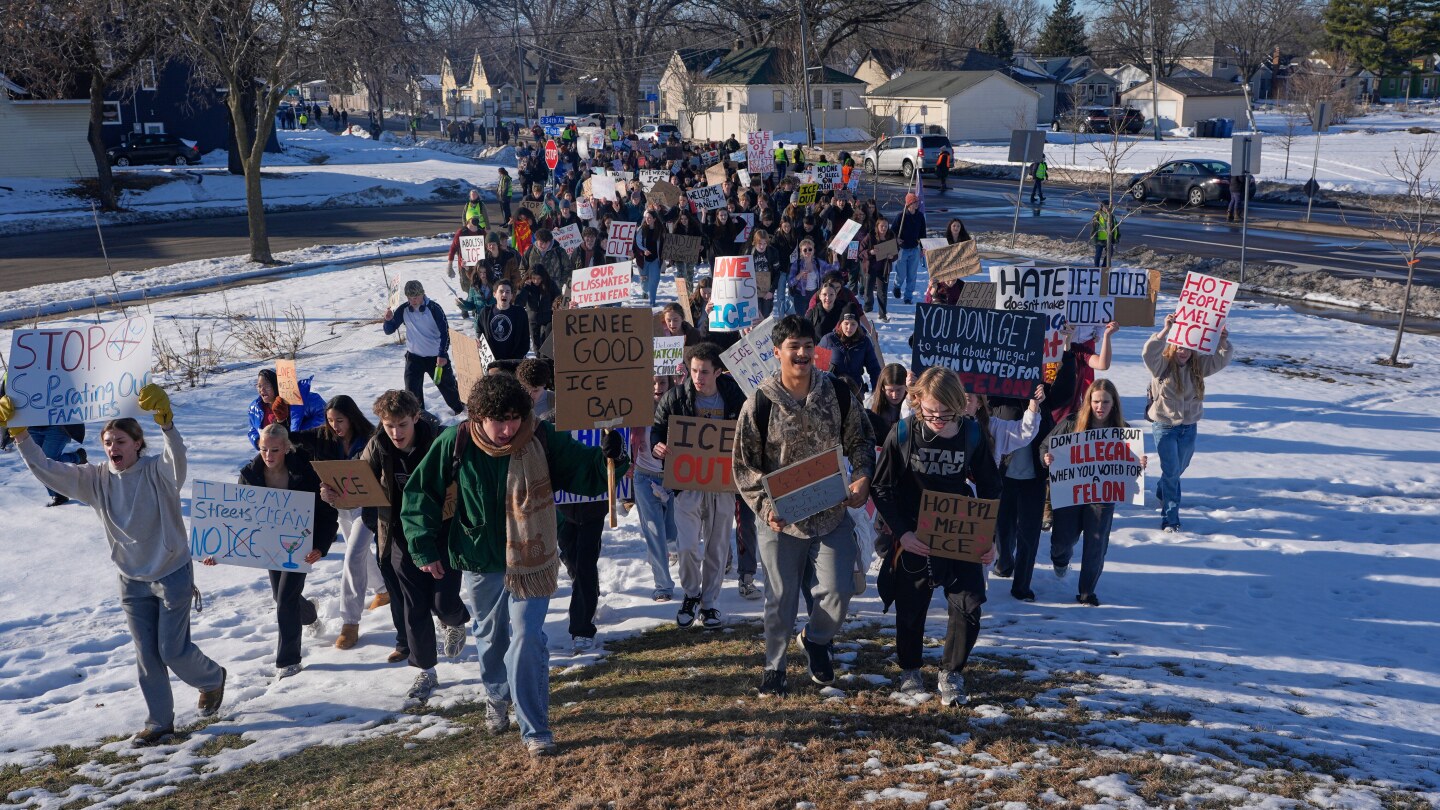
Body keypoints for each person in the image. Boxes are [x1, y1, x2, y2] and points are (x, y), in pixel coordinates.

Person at [400, 374, 627, 757]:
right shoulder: (455, 441)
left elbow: (584, 472)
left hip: (532, 558)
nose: (507, 429)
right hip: (481, 557)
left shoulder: (541, 437)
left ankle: (535, 728)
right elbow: (421, 492)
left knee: (527, 637)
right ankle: (496, 695)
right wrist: (423, 546)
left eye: (514, 418)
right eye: (498, 420)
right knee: (491, 638)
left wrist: (611, 457)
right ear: (478, 416)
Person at [0, 387, 227, 746]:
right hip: (131, 580)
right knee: (147, 656)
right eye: (107, 442)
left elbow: (176, 461)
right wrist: (21, 436)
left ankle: (212, 679)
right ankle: (160, 724)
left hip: (171, 573)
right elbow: (48, 470)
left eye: (120, 441)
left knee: (172, 650)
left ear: (137, 443)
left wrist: (167, 425)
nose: (112, 448)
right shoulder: (95, 479)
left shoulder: (157, 472)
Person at [733, 316, 876, 697]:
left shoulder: (837, 393)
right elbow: (745, 466)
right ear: (776, 352)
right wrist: (766, 508)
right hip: (781, 520)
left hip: (830, 514)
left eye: (808, 346)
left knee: (838, 591)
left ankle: (816, 638)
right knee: (780, 598)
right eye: (793, 347)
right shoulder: (760, 403)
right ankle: (774, 667)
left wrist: (862, 476)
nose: (801, 354)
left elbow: (861, 441)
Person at [322, 390, 470, 697]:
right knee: (414, 606)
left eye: (402, 425)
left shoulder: (440, 441)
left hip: (442, 530)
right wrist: (335, 495)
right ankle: (425, 671)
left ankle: (455, 621)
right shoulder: (378, 445)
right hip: (401, 533)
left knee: (443, 602)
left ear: (416, 417)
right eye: (389, 425)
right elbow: (358, 483)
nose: (396, 432)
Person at [871, 368, 1001, 706]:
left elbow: (991, 486)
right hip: (915, 532)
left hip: (960, 531)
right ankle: (910, 669)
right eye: (930, 412)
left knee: (969, 603)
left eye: (945, 413)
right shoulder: (903, 432)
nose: (938, 420)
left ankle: (952, 672)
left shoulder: (972, 433)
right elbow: (881, 487)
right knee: (911, 606)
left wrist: (989, 537)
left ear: (958, 406)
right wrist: (903, 532)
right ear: (917, 402)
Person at [221, 424, 338, 679]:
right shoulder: (250, 475)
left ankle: (289, 661)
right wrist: (218, 550)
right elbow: (237, 518)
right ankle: (310, 614)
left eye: (275, 450)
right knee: (281, 597)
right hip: (270, 546)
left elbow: (327, 514)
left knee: (285, 599)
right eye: (263, 449)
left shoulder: (306, 472)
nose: (268, 455)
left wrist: (320, 547)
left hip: (300, 546)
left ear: (286, 448)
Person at [651, 343, 748, 629]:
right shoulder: (675, 397)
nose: (698, 377)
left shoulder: (736, 398)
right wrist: (658, 445)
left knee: (717, 547)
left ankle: (709, 604)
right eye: (693, 370)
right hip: (687, 484)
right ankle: (691, 594)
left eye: (704, 372)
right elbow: (658, 428)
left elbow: (750, 432)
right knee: (687, 546)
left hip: (722, 484)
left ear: (718, 372)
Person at [289, 396, 387, 650]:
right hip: (340, 507)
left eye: (340, 420)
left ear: (352, 418)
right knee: (360, 553)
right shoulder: (322, 436)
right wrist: (281, 418)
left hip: (367, 506)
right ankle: (383, 590)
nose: (335, 426)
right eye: (330, 420)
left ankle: (350, 623)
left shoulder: (371, 438)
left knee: (353, 555)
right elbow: (291, 439)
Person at [1041, 379, 1147, 606]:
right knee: (1063, 541)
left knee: (1096, 543)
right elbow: (1045, 446)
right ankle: (1060, 560)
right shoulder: (1072, 423)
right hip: (1071, 493)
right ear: (1088, 401)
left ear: (1114, 403)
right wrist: (1046, 458)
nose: (1100, 407)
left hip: (1102, 495)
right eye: (1096, 401)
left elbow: (1129, 466)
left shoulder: (1124, 430)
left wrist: (1138, 463)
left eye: (1105, 402)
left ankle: (1087, 592)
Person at [1143, 314, 1232, 532]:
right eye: (1179, 347)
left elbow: (1221, 359)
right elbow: (1148, 352)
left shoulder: (1198, 366)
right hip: (1165, 427)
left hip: (1189, 427)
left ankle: (1163, 489)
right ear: (1173, 346)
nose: (1183, 352)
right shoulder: (1161, 365)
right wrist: (1165, 330)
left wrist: (1222, 341)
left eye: (1188, 348)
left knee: (1178, 468)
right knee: (1172, 472)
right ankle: (1170, 519)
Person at [632, 375, 679, 601]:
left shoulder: (679, 406)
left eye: (661, 382)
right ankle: (663, 585)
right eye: (651, 383)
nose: (657, 387)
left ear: (669, 384)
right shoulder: (635, 409)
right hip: (645, 478)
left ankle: (669, 551)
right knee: (655, 532)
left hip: (674, 480)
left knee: (672, 534)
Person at [247, 368, 326, 450]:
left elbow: (324, 415)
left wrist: (299, 432)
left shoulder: (304, 399)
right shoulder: (255, 407)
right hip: (272, 454)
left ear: (277, 385)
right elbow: (253, 429)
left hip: (303, 450)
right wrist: (259, 442)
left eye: (267, 385)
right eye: (259, 386)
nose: (262, 389)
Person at [818, 304, 882, 391]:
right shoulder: (828, 339)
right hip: (832, 389)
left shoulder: (864, 342)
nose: (849, 328)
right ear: (840, 324)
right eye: (846, 323)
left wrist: (876, 391)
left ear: (858, 325)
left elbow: (874, 369)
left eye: (853, 324)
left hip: (855, 390)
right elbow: (816, 368)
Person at [25, 422, 86, 507]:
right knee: (37, 463)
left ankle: (58, 494)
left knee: (47, 462)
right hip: (31, 425)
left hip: (57, 423)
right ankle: (77, 457)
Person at [478, 279, 531, 361]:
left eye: (507, 292)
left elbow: (525, 338)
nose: (504, 294)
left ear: (511, 296)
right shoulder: (485, 312)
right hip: (492, 361)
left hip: (514, 361)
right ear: (494, 294)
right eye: (501, 291)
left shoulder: (520, 313)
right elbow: (479, 331)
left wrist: (518, 357)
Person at [516, 266, 561, 360]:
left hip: (547, 318)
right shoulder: (525, 285)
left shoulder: (550, 284)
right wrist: (525, 288)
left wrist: (555, 304)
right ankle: (539, 361)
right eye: (534, 278)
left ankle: (547, 361)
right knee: (536, 345)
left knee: (546, 344)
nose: (536, 281)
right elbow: (519, 302)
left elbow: (558, 296)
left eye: (539, 278)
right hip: (533, 318)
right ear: (529, 277)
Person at [891, 193, 926, 305]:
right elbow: (892, 231)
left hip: (914, 249)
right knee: (901, 274)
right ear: (909, 204)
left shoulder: (920, 216)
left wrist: (923, 247)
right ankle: (897, 286)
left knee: (912, 275)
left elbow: (923, 233)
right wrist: (896, 239)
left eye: (917, 201)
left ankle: (908, 297)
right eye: (915, 202)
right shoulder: (901, 216)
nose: (917, 204)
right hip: (902, 249)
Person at [867, 363, 908, 442]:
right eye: (890, 390)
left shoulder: (911, 405)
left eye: (899, 390)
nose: (894, 395)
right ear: (882, 388)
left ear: (906, 387)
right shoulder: (870, 404)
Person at [864, 218, 895, 322]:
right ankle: (868, 307)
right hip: (871, 267)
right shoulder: (870, 236)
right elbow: (861, 250)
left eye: (886, 226)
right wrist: (870, 252)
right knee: (868, 290)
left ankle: (882, 314)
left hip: (883, 269)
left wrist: (892, 256)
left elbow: (896, 251)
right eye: (882, 226)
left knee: (882, 293)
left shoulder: (890, 236)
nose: (884, 228)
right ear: (877, 226)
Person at [634, 208, 665, 307]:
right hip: (643, 260)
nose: (647, 219)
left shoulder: (660, 230)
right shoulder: (641, 230)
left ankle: (652, 301)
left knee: (654, 280)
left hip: (655, 259)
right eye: (646, 217)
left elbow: (666, 243)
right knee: (644, 279)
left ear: (654, 219)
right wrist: (644, 250)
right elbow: (638, 242)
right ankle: (644, 291)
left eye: (650, 218)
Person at [1089, 201, 1118, 268]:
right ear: (1102, 207)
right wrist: (1094, 238)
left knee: (1110, 253)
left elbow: (1115, 228)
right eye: (1105, 206)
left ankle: (1104, 267)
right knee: (1098, 254)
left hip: (1108, 238)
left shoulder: (1111, 216)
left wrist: (1115, 238)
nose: (1107, 208)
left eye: (1108, 206)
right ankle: (1096, 267)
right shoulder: (1097, 215)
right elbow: (1094, 227)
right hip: (1099, 239)